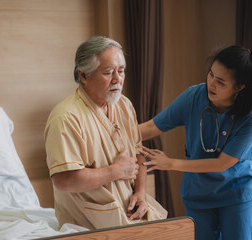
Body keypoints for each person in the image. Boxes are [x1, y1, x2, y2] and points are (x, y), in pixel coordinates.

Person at [44, 36, 167, 230]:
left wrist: (141, 193)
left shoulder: (124, 105)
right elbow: (64, 181)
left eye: (121, 71)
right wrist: (115, 171)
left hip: (131, 212)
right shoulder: (66, 117)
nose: (118, 79)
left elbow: (138, 154)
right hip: (89, 222)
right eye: (108, 72)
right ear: (83, 75)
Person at [140, 46, 252, 240]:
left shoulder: (251, 117)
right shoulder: (194, 97)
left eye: (220, 82)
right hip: (199, 192)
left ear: (239, 87)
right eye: (211, 74)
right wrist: (108, 134)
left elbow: (223, 163)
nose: (211, 84)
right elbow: (152, 127)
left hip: (237, 192)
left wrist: (171, 163)